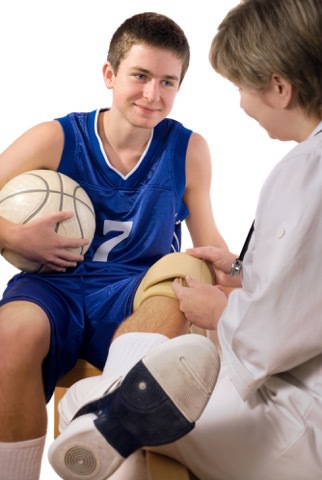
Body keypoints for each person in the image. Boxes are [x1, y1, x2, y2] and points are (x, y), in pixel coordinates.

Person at [0, 11, 226, 480]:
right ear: (110, 74)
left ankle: (111, 412)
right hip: (54, 287)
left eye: (168, 82)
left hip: (136, 292)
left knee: (184, 270)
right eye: (140, 76)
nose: (152, 94)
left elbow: (210, 246)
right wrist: (14, 235)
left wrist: (252, 285)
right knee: (10, 336)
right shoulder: (57, 137)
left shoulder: (188, 150)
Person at [161, 0, 322, 478]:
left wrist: (217, 309)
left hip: (301, 420)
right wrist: (242, 269)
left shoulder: (306, 171)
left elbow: (270, 337)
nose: (239, 103)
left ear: (278, 87)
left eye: (239, 86)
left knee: (105, 408)